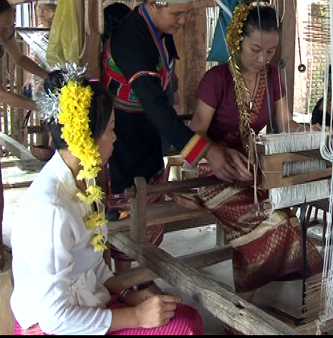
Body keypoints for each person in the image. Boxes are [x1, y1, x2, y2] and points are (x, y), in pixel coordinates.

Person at [10, 68, 204, 335]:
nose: (115, 137)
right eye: (110, 129)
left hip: (86, 303)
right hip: (54, 326)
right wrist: (136, 316)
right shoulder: (51, 210)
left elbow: (92, 264)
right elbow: (54, 318)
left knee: (187, 318)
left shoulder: (85, 180)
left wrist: (126, 294)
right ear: (86, 138)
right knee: (181, 329)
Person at [101, 0, 252, 273]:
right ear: (155, 3)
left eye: (188, 13)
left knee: (150, 210)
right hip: (122, 138)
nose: (183, 21)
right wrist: (205, 151)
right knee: (126, 213)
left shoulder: (159, 27)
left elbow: (162, 99)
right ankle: (126, 282)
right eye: (178, 14)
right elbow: (155, 104)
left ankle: (141, 276)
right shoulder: (132, 38)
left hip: (147, 134)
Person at [190, 0, 327, 334]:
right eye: (255, 50)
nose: (263, 58)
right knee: (273, 225)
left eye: (270, 52)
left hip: (252, 171)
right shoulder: (216, 79)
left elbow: (285, 127)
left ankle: (317, 310)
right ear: (238, 41)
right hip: (214, 172)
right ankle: (237, 314)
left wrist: (317, 131)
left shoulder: (272, 79)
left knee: (288, 226)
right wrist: (216, 157)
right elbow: (195, 138)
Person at [0, 0, 48, 107]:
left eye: (11, 27)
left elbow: (19, 59)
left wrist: (49, 76)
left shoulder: (6, 31)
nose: (7, 37)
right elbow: (2, 96)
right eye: (2, 30)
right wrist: (44, 108)